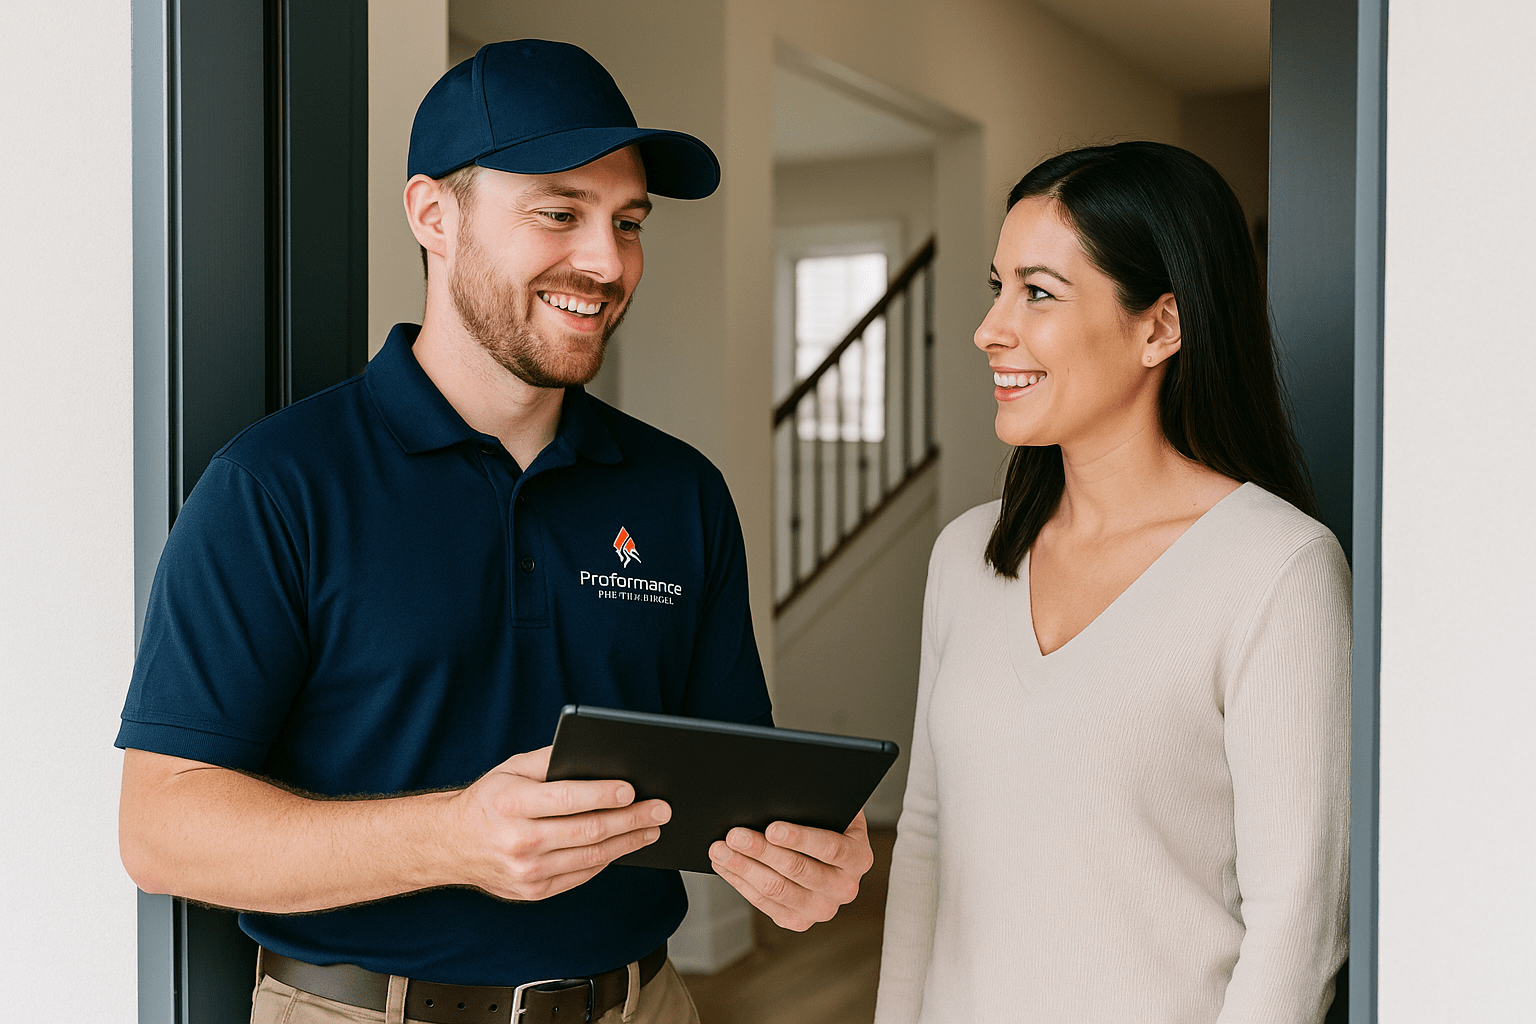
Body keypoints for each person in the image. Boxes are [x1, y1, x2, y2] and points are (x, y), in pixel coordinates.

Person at [117, 40, 872, 1024]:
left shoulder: (682, 492)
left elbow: (733, 780)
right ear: (433, 215)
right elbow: (161, 828)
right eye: (560, 212)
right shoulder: (276, 482)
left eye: (628, 222)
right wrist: (451, 837)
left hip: (640, 1006)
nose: (607, 261)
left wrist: (805, 850)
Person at [874, 142, 1350, 1023]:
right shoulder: (966, 554)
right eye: (997, 286)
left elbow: (1298, 925)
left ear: (1160, 327)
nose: (991, 328)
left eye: (1039, 292)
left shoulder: (1278, 569)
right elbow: (929, 840)